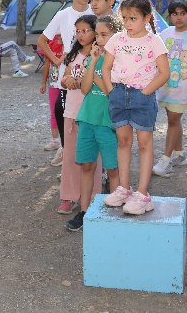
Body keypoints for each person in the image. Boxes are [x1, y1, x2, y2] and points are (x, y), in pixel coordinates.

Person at [102, 0, 170, 215]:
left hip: (142, 96)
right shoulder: (116, 39)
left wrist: (145, 91)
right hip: (119, 94)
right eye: (125, 18)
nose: (128, 23)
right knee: (123, 141)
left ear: (147, 17)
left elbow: (164, 72)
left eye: (133, 18)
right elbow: (106, 67)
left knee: (144, 143)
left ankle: (142, 194)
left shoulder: (154, 41)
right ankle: (124, 189)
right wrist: (112, 91)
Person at [65, 15, 120, 231]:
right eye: (97, 34)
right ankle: (85, 210)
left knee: (113, 169)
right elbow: (85, 89)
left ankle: (115, 213)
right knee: (87, 165)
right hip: (87, 117)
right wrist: (94, 61)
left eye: (104, 34)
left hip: (108, 121)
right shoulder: (92, 57)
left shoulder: (118, 60)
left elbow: (110, 92)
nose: (99, 38)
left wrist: (99, 69)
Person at [36, 0, 93, 148]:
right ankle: (65, 149)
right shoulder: (64, 15)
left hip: (90, 70)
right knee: (63, 111)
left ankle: (89, 155)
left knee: (87, 114)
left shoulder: (95, 12)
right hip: (67, 73)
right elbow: (42, 40)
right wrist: (56, 60)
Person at [153, 1, 187, 178]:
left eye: (182, 13)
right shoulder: (165, 33)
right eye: (175, 14)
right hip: (166, 85)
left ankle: (166, 160)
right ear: (170, 16)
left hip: (184, 87)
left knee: (174, 119)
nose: (178, 17)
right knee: (172, 119)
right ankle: (179, 154)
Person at [57, 14, 103, 216]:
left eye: (86, 30)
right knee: (70, 157)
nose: (81, 34)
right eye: (78, 31)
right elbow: (64, 77)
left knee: (92, 158)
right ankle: (69, 196)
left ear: (95, 32)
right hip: (73, 112)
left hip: (93, 114)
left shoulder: (100, 55)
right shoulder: (73, 55)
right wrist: (68, 80)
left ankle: (93, 196)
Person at [39, 34, 63, 158]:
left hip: (66, 81)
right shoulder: (50, 42)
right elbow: (47, 63)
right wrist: (43, 82)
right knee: (54, 111)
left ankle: (67, 143)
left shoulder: (71, 41)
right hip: (53, 82)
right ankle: (55, 140)